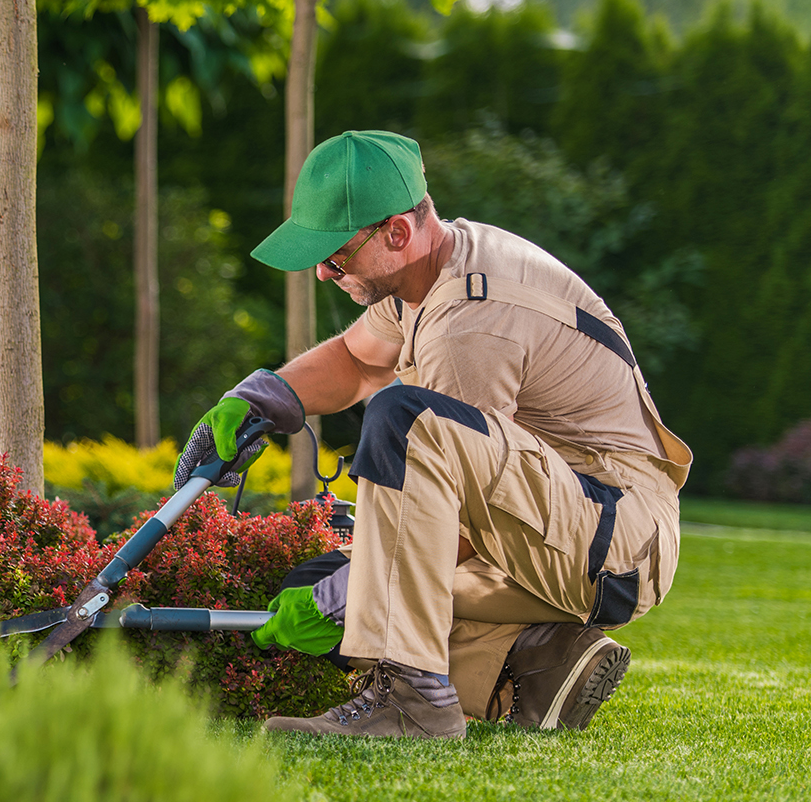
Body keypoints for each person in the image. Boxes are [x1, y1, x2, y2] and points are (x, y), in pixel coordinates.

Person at [176, 130, 691, 739]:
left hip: (613, 537)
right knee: (321, 579)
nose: (322, 272)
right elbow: (358, 359)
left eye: (336, 255)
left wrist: (347, 601)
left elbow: (461, 521)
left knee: (402, 428)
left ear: (396, 232)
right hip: (555, 522)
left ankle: (415, 697)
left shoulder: (468, 326)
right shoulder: (428, 269)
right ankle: (540, 661)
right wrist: (261, 397)